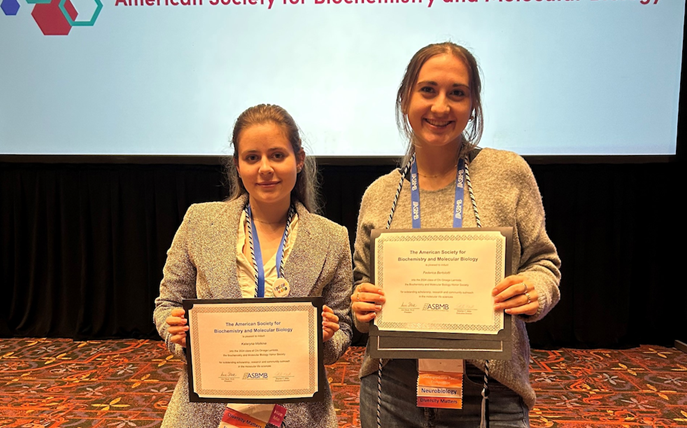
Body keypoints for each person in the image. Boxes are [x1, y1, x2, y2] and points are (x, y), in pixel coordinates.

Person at [351, 42, 561, 427]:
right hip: (392, 386)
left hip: (489, 388)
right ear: (405, 99)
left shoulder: (507, 172)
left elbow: (543, 263)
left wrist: (535, 290)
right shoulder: (380, 194)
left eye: (457, 93)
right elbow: (362, 286)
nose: (441, 106)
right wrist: (362, 306)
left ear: (473, 105)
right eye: (427, 90)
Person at [154, 104, 353, 427]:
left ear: (298, 160)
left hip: (297, 412)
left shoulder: (332, 238)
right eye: (252, 157)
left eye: (277, 155)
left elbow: (343, 330)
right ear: (237, 165)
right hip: (207, 409)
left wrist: (328, 335)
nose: (265, 168)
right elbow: (167, 304)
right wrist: (175, 331)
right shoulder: (199, 223)